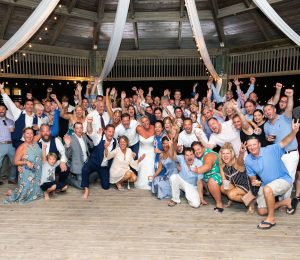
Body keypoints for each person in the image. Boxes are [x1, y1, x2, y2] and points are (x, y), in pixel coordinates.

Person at [245, 120, 299, 230]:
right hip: (266, 184)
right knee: (261, 211)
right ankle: (285, 202)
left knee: (267, 189)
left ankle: (271, 219)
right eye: (249, 146)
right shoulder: (248, 160)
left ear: (259, 144)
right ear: (247, 147)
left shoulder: (271, 149)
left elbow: (284, 142)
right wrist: (255, 181)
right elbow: (252, 177)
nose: (252, 147)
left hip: (283, 180)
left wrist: (293, 132)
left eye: (254, 144)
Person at [264, 88, 299, 200]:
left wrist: (290, 96)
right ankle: (280, 199)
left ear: (274, 110)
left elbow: (289, 108)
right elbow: (267, 137)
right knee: (279, 177)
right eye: (265, 111)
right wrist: (268, 138)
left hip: (291, 154)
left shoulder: (285, 117)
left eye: (269, 109)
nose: (267, 112)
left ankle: (285, 201)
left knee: (289, 178)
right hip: (278, 155)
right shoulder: (266, 125)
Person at [4, 127, 43, 204]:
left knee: (37, 191)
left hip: (37, 172)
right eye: (27, 133)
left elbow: (44, 131)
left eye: (31, 133)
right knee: (24, 193)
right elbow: (15, 162)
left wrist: (39, 128)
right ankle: (13, 193)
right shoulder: (22, 147)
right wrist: (26, 162)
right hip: (27, 173)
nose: (29, 135)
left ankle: (13, 192)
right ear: (24, 135)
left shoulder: (35, 140)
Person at [81, 122, 117, 199]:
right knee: (85, 169)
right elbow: (90, 132)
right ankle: (86, 189)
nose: (111, 134)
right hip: (94, 162)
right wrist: (90, 123)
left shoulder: (115, 142)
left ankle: (97, 175)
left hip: (103, 166)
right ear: (105, 131)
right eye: (109, 131)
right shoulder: (98, 137)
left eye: (113, 132)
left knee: (106, 186)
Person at [219, 142, 255, 214]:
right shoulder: (222, 166)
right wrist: (228, 191)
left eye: (227, 153)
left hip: (246, 186)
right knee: (223, 188)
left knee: (231, 194)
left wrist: (241, 153)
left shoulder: (237, 163)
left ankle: (251, 201)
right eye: (223, 153)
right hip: (236, 186)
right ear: (221, 155)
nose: (225, 156)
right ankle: (233, 198)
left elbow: (240, 161)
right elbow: (224, 180)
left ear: (231, 154)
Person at [1, 82, 38, 148]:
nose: (30, 106)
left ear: (33, 106)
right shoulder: (18, 113)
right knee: (18, 158)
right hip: (19, 142)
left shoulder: (36, 117)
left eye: (31, 104)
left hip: (30, 142)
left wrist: (38, 128)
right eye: (28, 104)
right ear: (24, 106)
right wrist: (2, 90)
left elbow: (41, 127)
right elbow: (9, 103)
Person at [191, 141, 223, 212]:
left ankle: (219, 203)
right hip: (206, 179)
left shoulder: (209, 154)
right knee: (196, 178)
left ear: (203, 147)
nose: (197, 152)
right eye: (194, 150)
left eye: (198, 149)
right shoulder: (197, 157)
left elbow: (207, 167)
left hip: (219, 177)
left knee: (211, 181)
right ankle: (205, 194)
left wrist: (196, 170)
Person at [64, 122, 93, 189]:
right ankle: (69, 179)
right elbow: (67, 155)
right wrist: (67, 145)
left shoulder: (84, 136)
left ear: (83, 129)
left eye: (81, 128)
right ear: (74, 129)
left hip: (86, 163)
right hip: (78, 165)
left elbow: (92, 145)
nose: (79, 130)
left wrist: (89, 136)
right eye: (77, 128)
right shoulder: (70, 138)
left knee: (95, 175)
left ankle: (84, 179)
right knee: (82, 186)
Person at [135, 116, 155, 190]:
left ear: (149, 120)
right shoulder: (138, 128)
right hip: (142, 150)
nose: (145, 123)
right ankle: (142, 182)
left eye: (146, 121)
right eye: (143, 122)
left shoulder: (154, 127)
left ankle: (151, 182)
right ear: (141, 123)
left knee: (151, 166)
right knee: (142, 166)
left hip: (151, 150)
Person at [0, 104, 16, 184]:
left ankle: (12, 178)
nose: (1, 110)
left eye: (3, 109)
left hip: (11, 144)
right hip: (1, 144)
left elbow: (14, 131)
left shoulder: (11, 121)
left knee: (14, 162)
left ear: (5, 110)